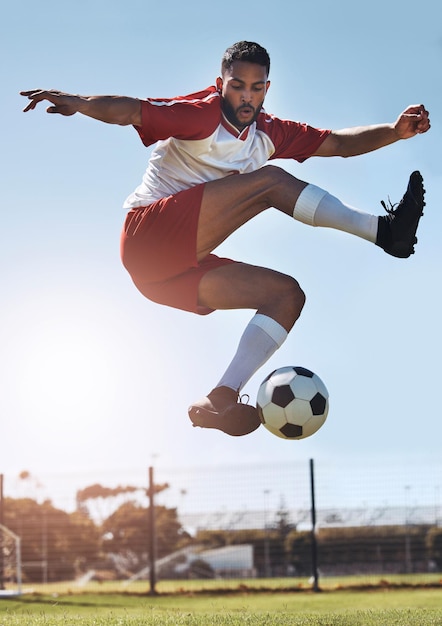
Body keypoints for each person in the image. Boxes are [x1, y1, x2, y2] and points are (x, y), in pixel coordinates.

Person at [21, 41, 430, 438]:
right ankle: (384, 232)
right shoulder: (199, 115)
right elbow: (131, 110)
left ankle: (220, 397)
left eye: (256, 87)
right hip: (148, 236)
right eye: (237, 85)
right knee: (270, 182)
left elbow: (337, 143)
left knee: (287, 295)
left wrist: (394, 132)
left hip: (169, 276)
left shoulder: (271, 133)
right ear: (221, 84)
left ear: (267, 89)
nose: (246, 96)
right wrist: (79, 102)